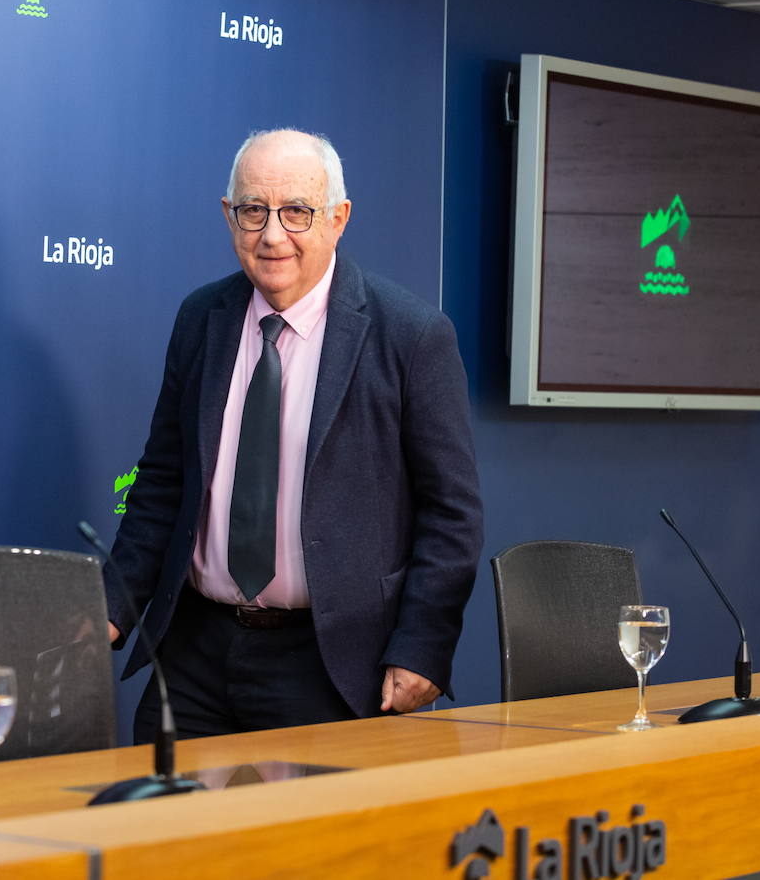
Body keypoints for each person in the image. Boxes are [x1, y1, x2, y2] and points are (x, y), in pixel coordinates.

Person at [103, 128, 482, 741]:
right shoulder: (201, 319)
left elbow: (451, 513)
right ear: (229, 216)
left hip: (333, 662)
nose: (272, 234)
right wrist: (114, 606)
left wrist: (424, 645)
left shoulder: (411, 335)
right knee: (163, 830)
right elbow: (164, 480)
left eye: (297, 212)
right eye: (253, 210)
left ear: (339, 218)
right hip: (194, 651)